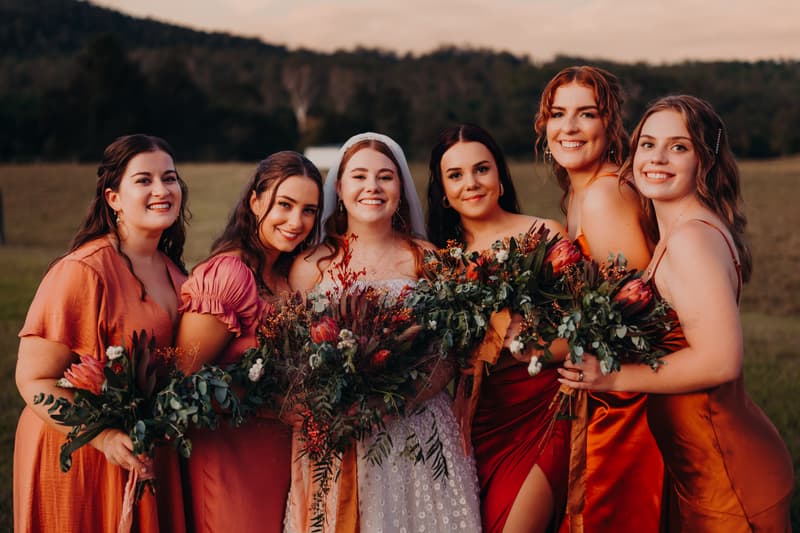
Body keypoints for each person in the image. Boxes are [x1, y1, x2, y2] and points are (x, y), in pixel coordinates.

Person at [559, 94, 794, 531]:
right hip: (702, 463)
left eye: (679, 146)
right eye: (647, 144)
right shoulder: (681, 230)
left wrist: (612, 378)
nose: (657, 158)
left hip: (727, 471)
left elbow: (721, 360)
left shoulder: (691, 239)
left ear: (705, 160)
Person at [286, 132, 482, 532]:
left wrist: (390, 403)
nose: (372, 187)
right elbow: (296, 356)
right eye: (359, 177)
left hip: (418, 431)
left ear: (401, 187)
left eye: (385, 177)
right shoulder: (312, 265)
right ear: (339, 188)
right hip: (340, 434)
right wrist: (339, 408)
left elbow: (448, 353)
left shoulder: (426, 259)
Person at [14, 134, 189, 532]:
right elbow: (32, 378)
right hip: (79, 453)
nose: (162, 190)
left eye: (170, 178)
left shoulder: (177, 273)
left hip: (142, 451)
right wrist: (104, 437)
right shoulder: (84, 271)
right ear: (113, 198)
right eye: (144, 180)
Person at [533, 65, 664, 532]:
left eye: (585, 114)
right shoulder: (579, 193)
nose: (568, 128)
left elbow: (640, 314)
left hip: (624, 403)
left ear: (609, 126)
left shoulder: (605, 194)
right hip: (599, 387)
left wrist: (538, 349)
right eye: (557, 114)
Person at [427, 123, 570, 533]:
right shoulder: (441, 265)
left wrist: (534, 345)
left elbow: (588, 333)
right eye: (455, 175)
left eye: (481, 169)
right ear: (442, 191)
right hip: (481, 422)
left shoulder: (543, 236)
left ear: (500, 177)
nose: (470, 183)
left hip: (544, 411)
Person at [174, 151, 323, 533]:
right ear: (255, 201)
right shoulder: (229, 275)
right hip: (230, 457)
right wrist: (272, 403)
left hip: (281, 457)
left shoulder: (289, 277)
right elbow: (182, 384)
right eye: (284, 205)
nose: (296, 221)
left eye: (309, 210)